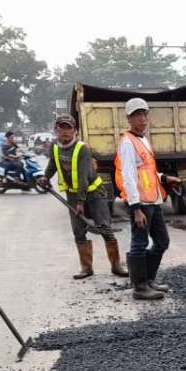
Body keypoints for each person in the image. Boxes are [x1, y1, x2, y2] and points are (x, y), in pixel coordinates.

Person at [40, 114, 127, 280]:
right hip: (73, 195)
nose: (65, 131)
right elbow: (53, 164)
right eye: (61, 127)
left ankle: (116, 266)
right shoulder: (55, 146)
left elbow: (83, 177)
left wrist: (81, 202)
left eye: (69, 128)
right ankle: (86, 268)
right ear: (56, 129)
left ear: (75, 131)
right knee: (78, 231)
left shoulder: (83, 149)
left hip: (93, 194)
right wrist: (45, 177)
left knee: (105, 228)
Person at [115, 97, 180, 300]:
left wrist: (164, 177)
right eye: (137, 115)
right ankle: (140, 287)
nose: (142, 118)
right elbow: (128, 176)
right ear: (129, 118)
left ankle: (149, 280)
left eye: (144, 114)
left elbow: (147, 171)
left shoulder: (143, 140)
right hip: (140, 203)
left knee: (162, 241)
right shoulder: (127, 143)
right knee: (139, 244)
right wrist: (135, 208)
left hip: (153, 200)